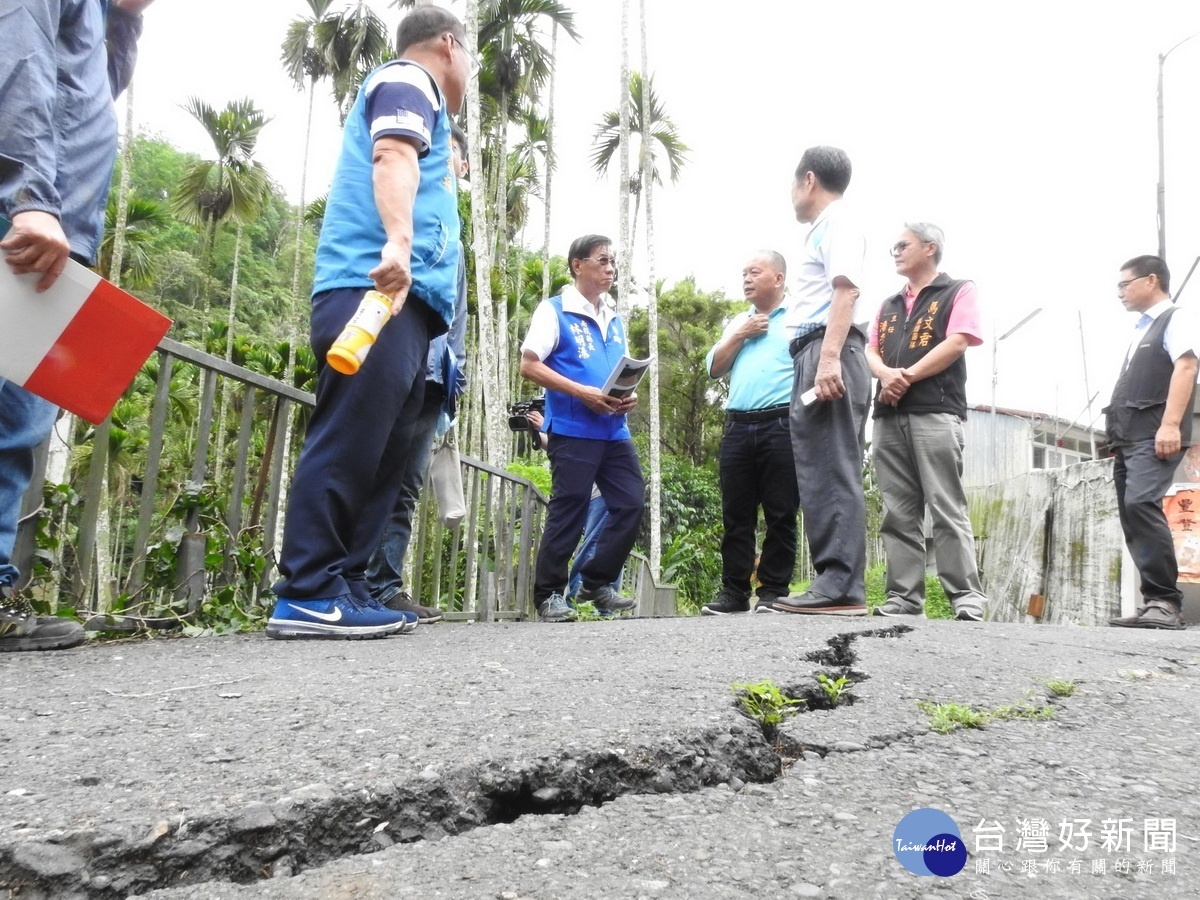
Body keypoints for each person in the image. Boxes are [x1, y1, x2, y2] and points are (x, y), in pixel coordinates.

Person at [267, 5, 471, 640]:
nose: (469, 69)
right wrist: (399, 243)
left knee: (381, 454)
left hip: (409, 306)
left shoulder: (420, 89)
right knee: (350, 440)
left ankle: (348, 585)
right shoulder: (410, 80)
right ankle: (306, 589)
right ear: (448, 43)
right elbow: (393, 155)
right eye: (469, 55)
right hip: (373, 289)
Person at [0, 0, 154, 652]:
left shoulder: (101, 16)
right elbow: (19, 59)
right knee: (6, 412)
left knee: (18, 422)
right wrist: (29, 196)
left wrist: (126, 20)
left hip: (58, 236)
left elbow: (92, 91)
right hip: (27, 222)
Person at [364, 122, 471, 624]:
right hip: (388, 360)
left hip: (433, 377)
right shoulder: (400, 212)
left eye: (448, 152)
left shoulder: (454, 238)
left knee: (405, 484)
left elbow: (458, 318)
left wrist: (455, 383)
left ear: (462, 167)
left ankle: (384, 586)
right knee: (365, 469)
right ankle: (344, 579)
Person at [764, 146, 870, 616]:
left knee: (830, 463)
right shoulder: (826, 229)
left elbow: (846, 289)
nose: (791, 194)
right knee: (818, 462)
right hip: (817, 350)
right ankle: (834, 577)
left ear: (809, 180)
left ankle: (840, 583)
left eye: (792, 183)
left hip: (828, 350)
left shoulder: (837, 222)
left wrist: (828, 360)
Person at [866, 223, 989, 621]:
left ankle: (967, 597)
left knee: (946, 505)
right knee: (897, 511)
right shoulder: (887, 304)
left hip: (935, 411)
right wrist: (886, 375)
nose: (896, 252)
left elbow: (958, 341)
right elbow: (870, 350)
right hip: (887, 414)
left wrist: (905, 376)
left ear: (930, 248)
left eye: (903, 245)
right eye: (894, 246)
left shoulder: (958, 290)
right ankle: (904, 598)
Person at [519, 235, 643, 622]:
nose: (610, 268)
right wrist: (580, 392)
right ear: (577, 265)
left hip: (614, 428)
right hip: (573, 428)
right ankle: (549, 594)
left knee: (631, 502)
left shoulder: (614, 315)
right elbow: (530, 364)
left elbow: (613, 371)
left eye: (613, 262)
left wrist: (627, 395)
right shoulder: (554, 310)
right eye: (602, 260)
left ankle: (594, 582)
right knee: (568, 511)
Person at [701, 251, 799, 615]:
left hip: (782, 423)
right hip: (738, 425)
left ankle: (774, 590)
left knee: (781, 510)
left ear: (778, 278)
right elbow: (714, 367)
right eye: (743, 273)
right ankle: (734, 591)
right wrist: (740, 334)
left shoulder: (798, 317)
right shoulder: (738, 321)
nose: (746, 279)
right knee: (736, 513)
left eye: (754, 272)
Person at [1106, 255, 1197, 630]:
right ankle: (1153, 602)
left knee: (1141, 503)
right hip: (1128, 436)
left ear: (1151, 280)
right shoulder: (1140, 330)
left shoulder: (1176, 317)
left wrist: (1171, 425)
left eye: (1124, 284)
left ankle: (1166, 602)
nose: (1120, 293)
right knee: (1132, 513)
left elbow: (1187, 366)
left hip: (1154, 432)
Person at [525, 408, 621, 603]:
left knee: (597, 542)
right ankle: (582, 599)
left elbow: (585, 447)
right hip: (581, 492)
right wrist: (537, 433)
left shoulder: (597, 413)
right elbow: (562, 447)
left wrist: (546, 424)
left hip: (601, 491)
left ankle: (584, 598)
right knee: (592, 541)